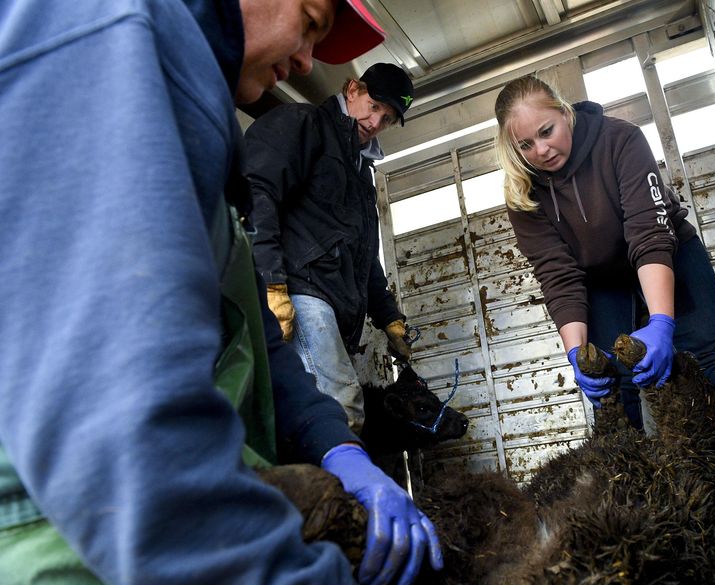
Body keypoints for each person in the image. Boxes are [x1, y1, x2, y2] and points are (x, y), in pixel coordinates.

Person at [0, 1, 441, 584]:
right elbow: (123, 436)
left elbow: (265, 327)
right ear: (356, 93)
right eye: (309, 22)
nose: (308, 60)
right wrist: (279, 281)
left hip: (166, 510)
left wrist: (335, 443)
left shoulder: (200, 112)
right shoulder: (117, 40)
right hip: (69, 542)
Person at [492, 75, 715, 543]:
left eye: (547, 131)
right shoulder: (525, 193)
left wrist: (662, 323)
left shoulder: (619, 139)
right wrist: (576, 355)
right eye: (526, 145)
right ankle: (646, 527)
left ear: (564, 112)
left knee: (714, 360)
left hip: (667, 253)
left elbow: (649, 234)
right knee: (617, 388)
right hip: (602, 284)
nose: (541, 151)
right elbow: (558, 276)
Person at [244, 62, 416, 434]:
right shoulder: (303, 125)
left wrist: (389, 317)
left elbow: (364, 255)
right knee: (341, 407)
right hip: (298, 290)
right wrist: (270, 282)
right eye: (374, 106)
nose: (375, 123)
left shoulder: (361, 174)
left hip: (331, 306)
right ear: (352, 89)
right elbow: (256, 193)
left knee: (321, 414)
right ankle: (336, 489)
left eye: (386, 118)